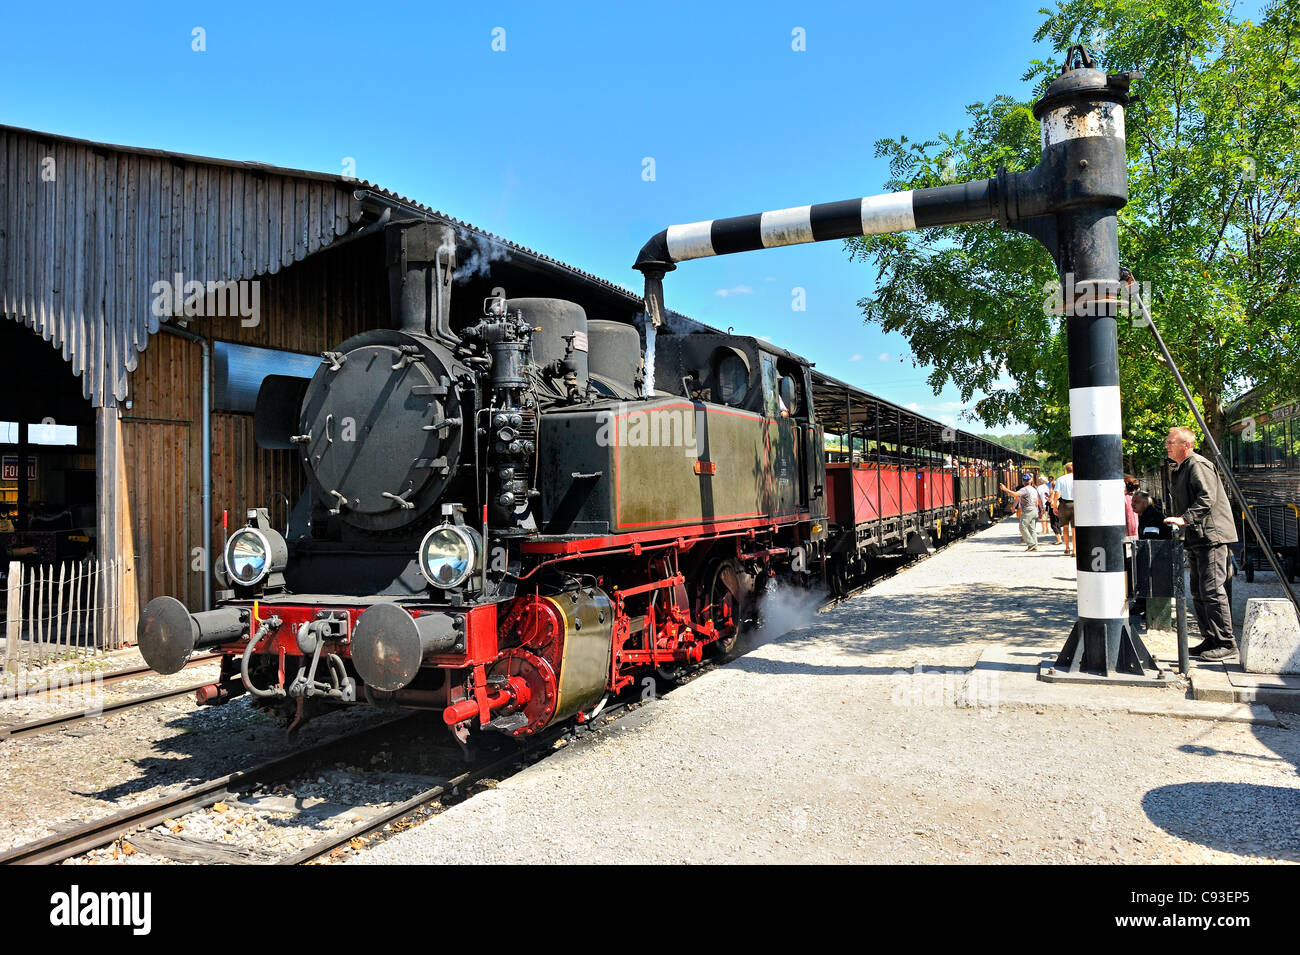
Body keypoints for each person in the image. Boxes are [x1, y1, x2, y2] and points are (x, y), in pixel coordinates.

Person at [1163, 427, 1240, 660]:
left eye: (1171, 442)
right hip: (1199, 536)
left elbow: (1207, 497)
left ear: (1186, 445)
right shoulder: (1181, 467)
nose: (1166, 445)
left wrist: (1184, 519)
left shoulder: (1197, 464)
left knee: (1213, 589)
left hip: (1212, 536)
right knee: (1198, 591)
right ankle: (1211, 638)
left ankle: (1226, 642)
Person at [1000, 472, 1040, 551]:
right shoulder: (1033, 489)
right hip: (1034, 510)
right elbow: (1037, 501)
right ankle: (1034, 545)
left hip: (1027, 511)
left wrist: (1005, 489)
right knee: (1032, 529)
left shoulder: (1024, 489)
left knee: (1022, 527)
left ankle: (1031, 544)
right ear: (1030, 480)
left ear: (1023, 481)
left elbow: (1015, 495)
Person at [1053, 462, 1075, 556]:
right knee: (1074, 528)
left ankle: (1067, 548)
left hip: (1064, 504)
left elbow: (1057, 493)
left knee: (1065, 527)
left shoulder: (1060, 479)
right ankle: (1074, 550)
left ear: (1066, 469)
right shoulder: (1077, 478)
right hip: (1076, 504)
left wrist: (1054, 505)